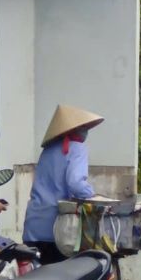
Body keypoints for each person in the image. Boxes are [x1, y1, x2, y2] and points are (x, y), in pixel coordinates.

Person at [23, 105, 103, 263]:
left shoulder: (47, 150)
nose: (86, 131)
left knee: (36, 275)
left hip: (33, 228)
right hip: (59, 231)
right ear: (75, 129)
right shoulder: (77, 148)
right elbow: (76, 183)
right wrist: (93, 197)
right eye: (84, 127)